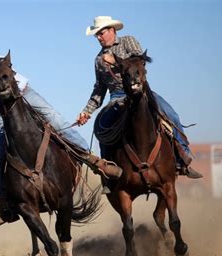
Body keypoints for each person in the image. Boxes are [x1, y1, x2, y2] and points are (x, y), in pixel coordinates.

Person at [0, 45, 122, 228]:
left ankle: (95, 161)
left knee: (56, 120)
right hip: (6, 114)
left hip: (24, 95)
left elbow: (11, 79)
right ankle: (4, 206)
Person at [76, 16, 203, 182]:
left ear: (112, 30)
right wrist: (87, 112)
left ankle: (183, 158)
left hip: (142, 91)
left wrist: (114, 61)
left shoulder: (128, 41)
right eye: (96, 35)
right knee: (102, 127)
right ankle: (108, 174)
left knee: (171, 114)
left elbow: (139, 61)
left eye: (101, 33)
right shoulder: (98, 60)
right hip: (117, 95)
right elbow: (99, 88)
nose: (99, 37)